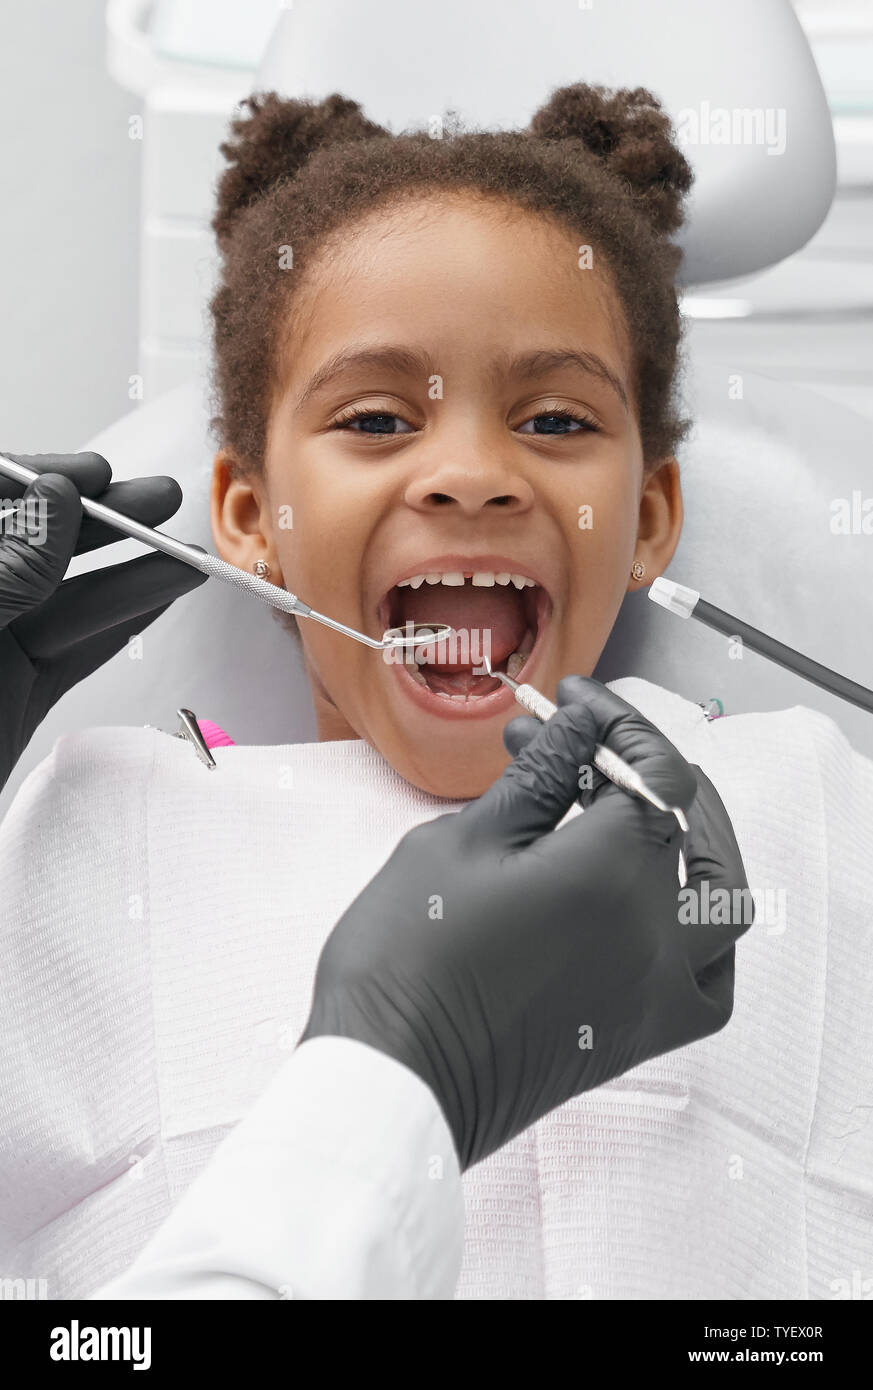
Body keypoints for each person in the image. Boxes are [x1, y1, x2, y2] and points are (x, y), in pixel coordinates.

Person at [1, 82, 870, 1301]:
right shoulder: (79, 845)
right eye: (373, 417)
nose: (469, 473)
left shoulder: (817, 810)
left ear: (650, 520)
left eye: (557, 417)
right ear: (249, 519)